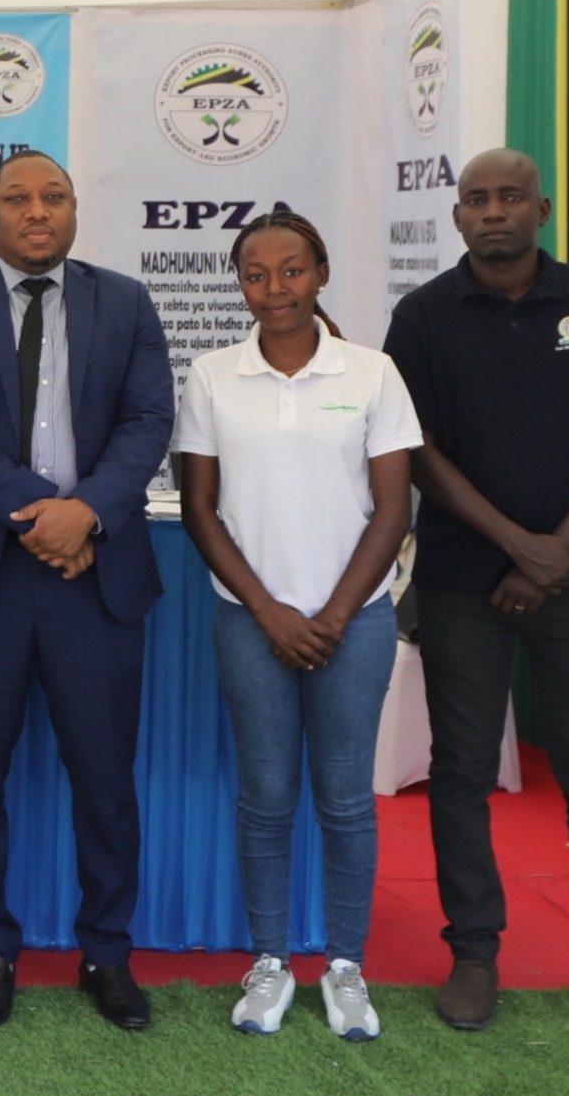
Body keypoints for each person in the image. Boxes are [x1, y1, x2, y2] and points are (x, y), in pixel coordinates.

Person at [384, 148, 569, 1042]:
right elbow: (417, 452)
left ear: (541, 210)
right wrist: (517, 547)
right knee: (461, 772)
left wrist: (555, 554)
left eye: (511, 196)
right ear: (457, 217)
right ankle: (475, 954)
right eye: (476, 199)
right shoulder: (423, 315)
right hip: (460, 582)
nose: (493, 211)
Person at [0, 149, 172, 1034]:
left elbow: (148, 421)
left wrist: (85, 514)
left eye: (53, 196)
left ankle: (107, 952)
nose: (37, 210)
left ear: (75, 209)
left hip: (94, 575)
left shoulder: (125, 302)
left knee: (106, 778)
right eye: (16, 198)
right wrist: (43, 515)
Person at [173, 211, 418, 1042]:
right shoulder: (213, 375)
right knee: (267, 798)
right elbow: (200, 510)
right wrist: (271, 612)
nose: (274, 288)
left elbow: (394, 507)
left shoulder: (373, 371)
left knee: (345, 800)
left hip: (356, 622)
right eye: (255, 274)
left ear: (320, 274)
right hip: (251, 622)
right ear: (239, 284)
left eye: (291, 271)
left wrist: (333, 616)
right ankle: (271, 962)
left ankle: (345, 966)